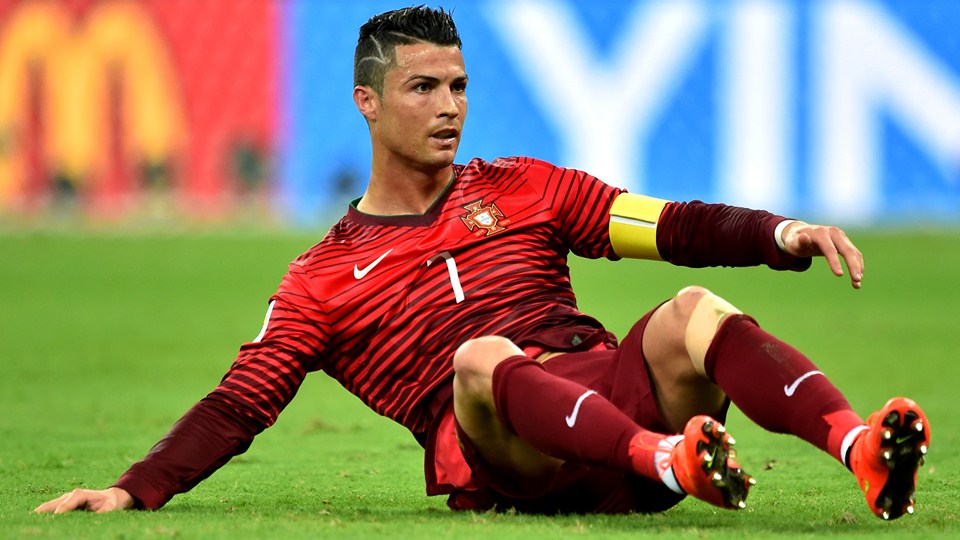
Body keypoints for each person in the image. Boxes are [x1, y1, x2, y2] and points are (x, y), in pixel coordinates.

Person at [35, 6, 930, 520]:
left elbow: (674, 225)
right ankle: (667, 459)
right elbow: (242, 400)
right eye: (423, 87)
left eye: (459, 85)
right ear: (367, 103)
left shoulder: (527, 186)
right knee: (481, 358)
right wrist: (132, 489)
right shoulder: (321, 275)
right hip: (509, 455)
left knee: (691, 305)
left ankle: (857, 449)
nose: (449, 106)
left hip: (607, 394)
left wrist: (781, 236)